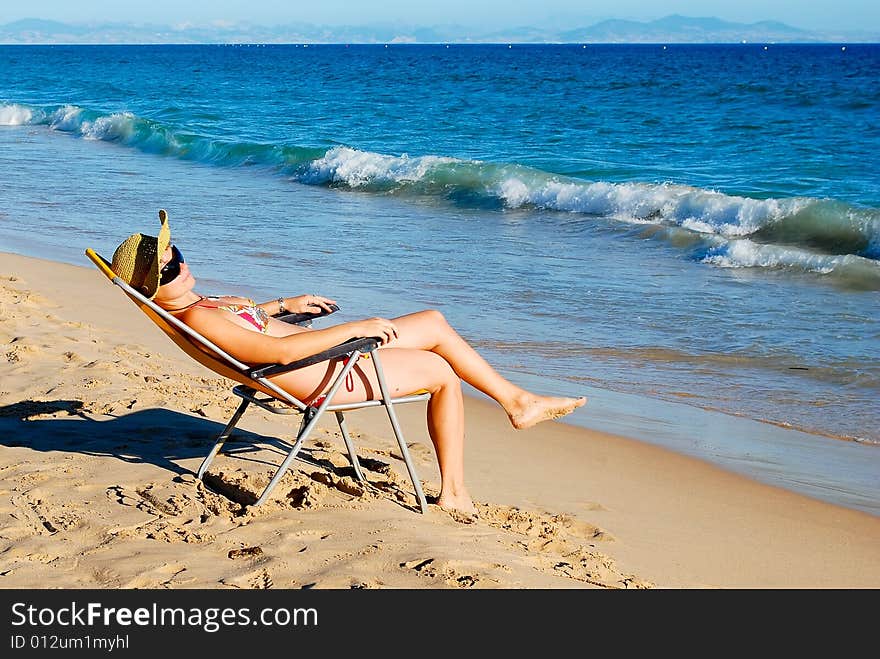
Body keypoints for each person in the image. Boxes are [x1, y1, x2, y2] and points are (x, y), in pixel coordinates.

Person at [111, 210, 586, 515]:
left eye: (179, 256)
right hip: (316, 372)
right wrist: (355, 330)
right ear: (154, 288)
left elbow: (253, 323)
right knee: (442, 374)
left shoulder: (201, 305)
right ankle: (455, 492)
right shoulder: (199, 315)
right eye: (170, 269)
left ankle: (518, 401)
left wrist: (284, 304)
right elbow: (278, 352)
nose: (183, 267)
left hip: (319, 358)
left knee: (434, 323)